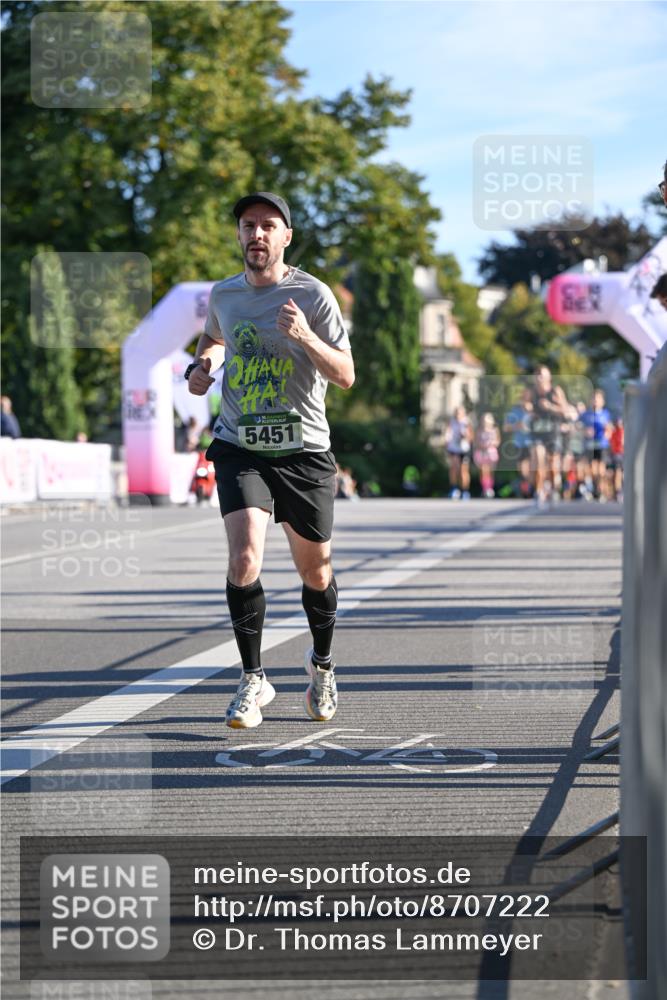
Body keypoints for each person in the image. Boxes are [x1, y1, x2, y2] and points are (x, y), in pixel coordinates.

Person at [187, 192, 354, 729]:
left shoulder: (314, 294)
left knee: (317, 571)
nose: (256, 234)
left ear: (286, 237)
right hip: (242, 445)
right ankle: (253, 678)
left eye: (267, 226)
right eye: (247, 226)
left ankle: (322, 667)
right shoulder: (225, 294)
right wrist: (203, 365)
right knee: (244, 560)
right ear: (238, 236)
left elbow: (346, 374)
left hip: (303, 451)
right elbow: (215, 336)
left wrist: (304, 335)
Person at [529, 366, 570, 506]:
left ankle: (554, 489)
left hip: (552, 432)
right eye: (537, 375)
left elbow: (566, 411)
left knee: (553, 465)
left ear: (549, 378)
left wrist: (550, 407)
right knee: (539, 460)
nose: (540, 378)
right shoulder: (531, 392)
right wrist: (528, 410)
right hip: (537, 432)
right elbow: (524, 405)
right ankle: (539, 491)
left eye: (542, 375)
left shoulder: (556, 391)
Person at [582, 389, 612, 501]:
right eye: (593, 398)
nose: (595, 401)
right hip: (590, 445)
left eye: (598, 399)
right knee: (592, 470)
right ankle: (594, 489)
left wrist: (607, 431)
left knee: (601, 470)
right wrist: (585, 431)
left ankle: (602, 490)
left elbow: (609, 428)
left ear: (602, 401)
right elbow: (579, 426)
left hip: (602, 445)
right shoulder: (586, 414)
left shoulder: (605, 414)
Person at [503, 388, 533, 498]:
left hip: (533, 443)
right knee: (523, 469)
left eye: (527, 395)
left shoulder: (536, 409)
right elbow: (506, 427)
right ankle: (527, 490)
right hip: (520, 443)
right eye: (523, 395)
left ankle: (533, 488)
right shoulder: (515, 411)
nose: (525, 398)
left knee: (533, 468)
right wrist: (517, 426)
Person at [444, 405, 473, 499]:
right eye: (456, 412)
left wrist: (465, 436)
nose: (458, 414)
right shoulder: (451, 422)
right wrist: (447, 440)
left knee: (463, 470)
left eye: (460, 413)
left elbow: (471, 437)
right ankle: (454, 488)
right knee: (454, 468)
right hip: (453, 448)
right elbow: (447, 433)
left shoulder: (466, 422)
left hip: (463, 449)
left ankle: (465, 490)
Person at [473, 412, 500, 498]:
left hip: (491, 453)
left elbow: (497, 441)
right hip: (482, 453)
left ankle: (490, 488)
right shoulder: (479, 430)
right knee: (484, 471)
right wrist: (482, 445)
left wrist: (491, 444)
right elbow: (476, 441)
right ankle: (485, 488)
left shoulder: (495, 430)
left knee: (490, 471)